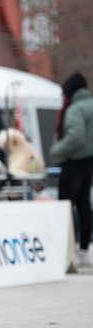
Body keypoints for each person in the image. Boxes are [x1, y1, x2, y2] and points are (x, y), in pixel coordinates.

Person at [50, 72, 93, 268]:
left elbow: (76, 137)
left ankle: (64, 248)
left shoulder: (75, 109)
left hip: (74, 163)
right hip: (89, 163)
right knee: (84, 206)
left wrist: (56, 151)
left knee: (65, 207)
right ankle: (83, 249)